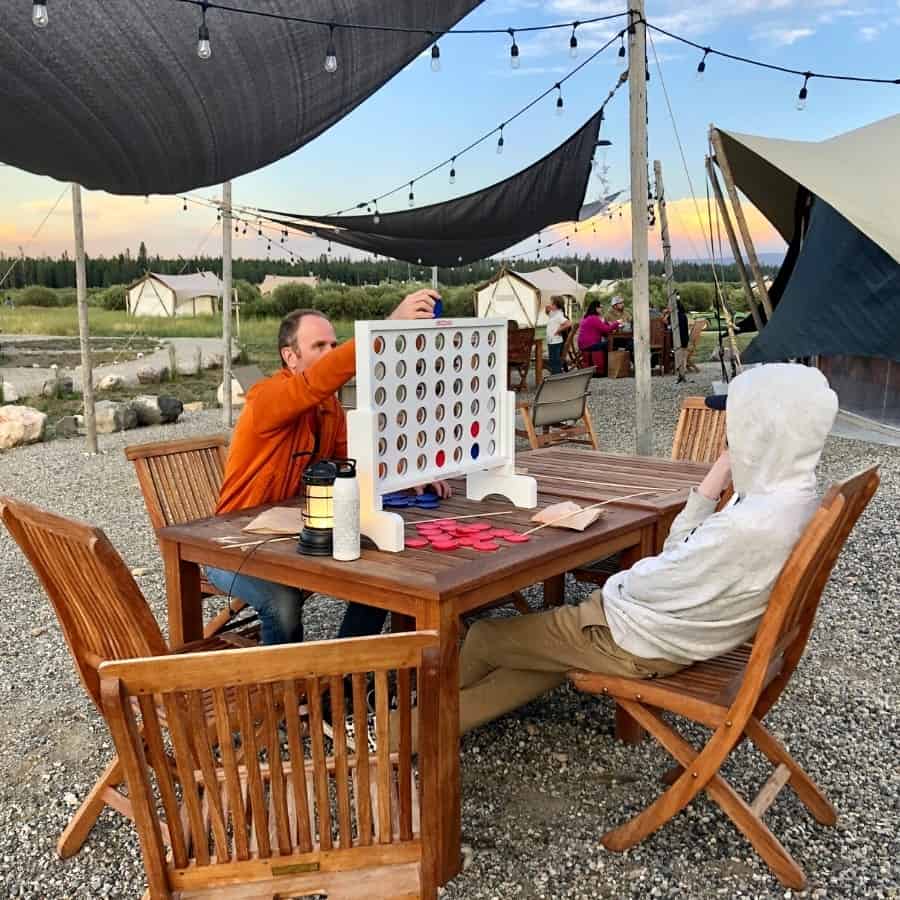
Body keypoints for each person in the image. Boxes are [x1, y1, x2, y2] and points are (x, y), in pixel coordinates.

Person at [451, 363, 838, 739]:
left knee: (484, 635)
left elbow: (657, 573)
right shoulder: (793, 500)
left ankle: (427, 719)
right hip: (679, 637)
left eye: (736, 423)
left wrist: (616, 582)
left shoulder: (746, 525)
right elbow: (677, 557)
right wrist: (720, 471)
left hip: (636, 640)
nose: (728, 432)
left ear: (760, 431)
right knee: (544, 657)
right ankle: (417, 729)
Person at [209, 289, 448, 645]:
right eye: (319, 346)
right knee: (282, 602)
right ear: (289, 356)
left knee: (386, 579)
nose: (330, 354)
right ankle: (287, 696)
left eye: (334, 345)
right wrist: (382, 328)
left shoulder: (329, 409)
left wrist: (407, 476)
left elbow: (354, 461)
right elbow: (314, 384)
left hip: (298, 536)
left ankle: (342, 678)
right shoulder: (266, 399)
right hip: (231, 546)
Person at [544, 296, 572, 375]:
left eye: (551, 304)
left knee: (555, 360)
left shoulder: (559, 315)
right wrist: (547, 308)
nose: (550, 305)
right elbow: (547, 312)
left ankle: (557, 375)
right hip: (551, 341)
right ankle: (555, 375)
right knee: (552, 360)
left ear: (556, 305)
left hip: (555, 341)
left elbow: (568, 323)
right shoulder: (554, 313)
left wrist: (559, 330)